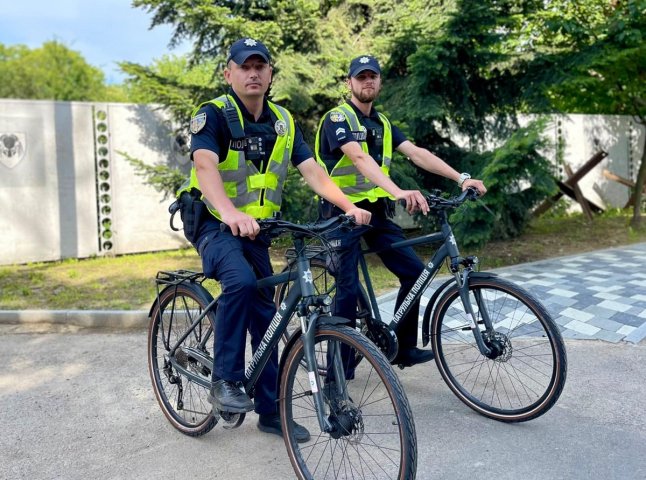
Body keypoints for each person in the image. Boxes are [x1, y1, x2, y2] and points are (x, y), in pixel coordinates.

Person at [181, 38, 372, 443]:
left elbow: (314, 171)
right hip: (214, 222)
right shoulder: (213, 114)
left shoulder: (283, 122)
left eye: (260, 66)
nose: (253, 73)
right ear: (228, 73)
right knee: (240, 283)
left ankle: (270, 412)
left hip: (256, 230)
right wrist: (230, 213)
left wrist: (347, 205)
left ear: (270, 74)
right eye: (244, 66)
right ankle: (225, 381)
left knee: (268, 318)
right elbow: (204, 166)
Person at [315, 55, 487, 369]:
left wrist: (461, 178)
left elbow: (417, 153)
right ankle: (339, 371)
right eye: (361, 77)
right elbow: (358, 159)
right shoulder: (338, 119)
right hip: (340, 212)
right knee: (347, 287)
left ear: (380, 81)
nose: (367, 82)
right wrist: (398, 191)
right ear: (349, 83)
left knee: (414, 273)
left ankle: (402, 348)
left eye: (373, 76)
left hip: (376, 212)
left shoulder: (382, 123)